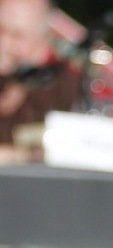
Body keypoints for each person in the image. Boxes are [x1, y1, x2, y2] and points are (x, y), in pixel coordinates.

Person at [0, 0, 81, 160]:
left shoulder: (62, 87)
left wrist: (18, 156)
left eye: (17, 36)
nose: (3, 43)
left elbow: (64, 151)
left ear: (43, 41)